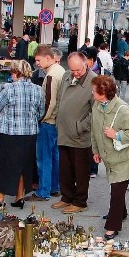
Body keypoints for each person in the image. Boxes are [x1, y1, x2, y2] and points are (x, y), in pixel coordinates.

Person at [0, 60, 44, 208]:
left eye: (11, 72)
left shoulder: (9, 88)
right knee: (24, 165)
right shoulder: (37, 89)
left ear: (16, 73)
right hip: (30, 133)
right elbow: (41, 112)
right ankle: (19, 196)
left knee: (6, 165)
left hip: (10, 133)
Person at [90, 76, 129, 240]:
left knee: (117, 191)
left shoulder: (123, 109)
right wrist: (96, 150)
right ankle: (122, 212)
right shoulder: (97, 105)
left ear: (103, 92)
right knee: (117, 188)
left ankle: (113, 226)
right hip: (110, 156)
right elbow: (94, 130)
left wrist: (117, 135)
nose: (92, 92)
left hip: (124, 158)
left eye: (94, 90)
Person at [53, 51, 97, 213]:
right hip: (64, 131)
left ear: (86, 64)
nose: (76, 73)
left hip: (80, 136)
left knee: (80, 170)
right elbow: (59, 98)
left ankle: (80, 201)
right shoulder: (66, 76)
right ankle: (66, 197)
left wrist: (80, 126)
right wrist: (58, 116)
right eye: (72, 70)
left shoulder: (94, 81)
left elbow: (96, 111)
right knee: (65, 168)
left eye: (78, 70)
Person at [26, 45, 65, 202]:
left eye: (38, 60)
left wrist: (41, 118)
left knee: (43, 158)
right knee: (54, 156)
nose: (37, 64)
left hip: (49, 121)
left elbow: (49, 101)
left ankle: (43, 191)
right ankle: (54, 187)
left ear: (48, 58)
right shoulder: (60, 71)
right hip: (57, 121)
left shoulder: (51, 76)